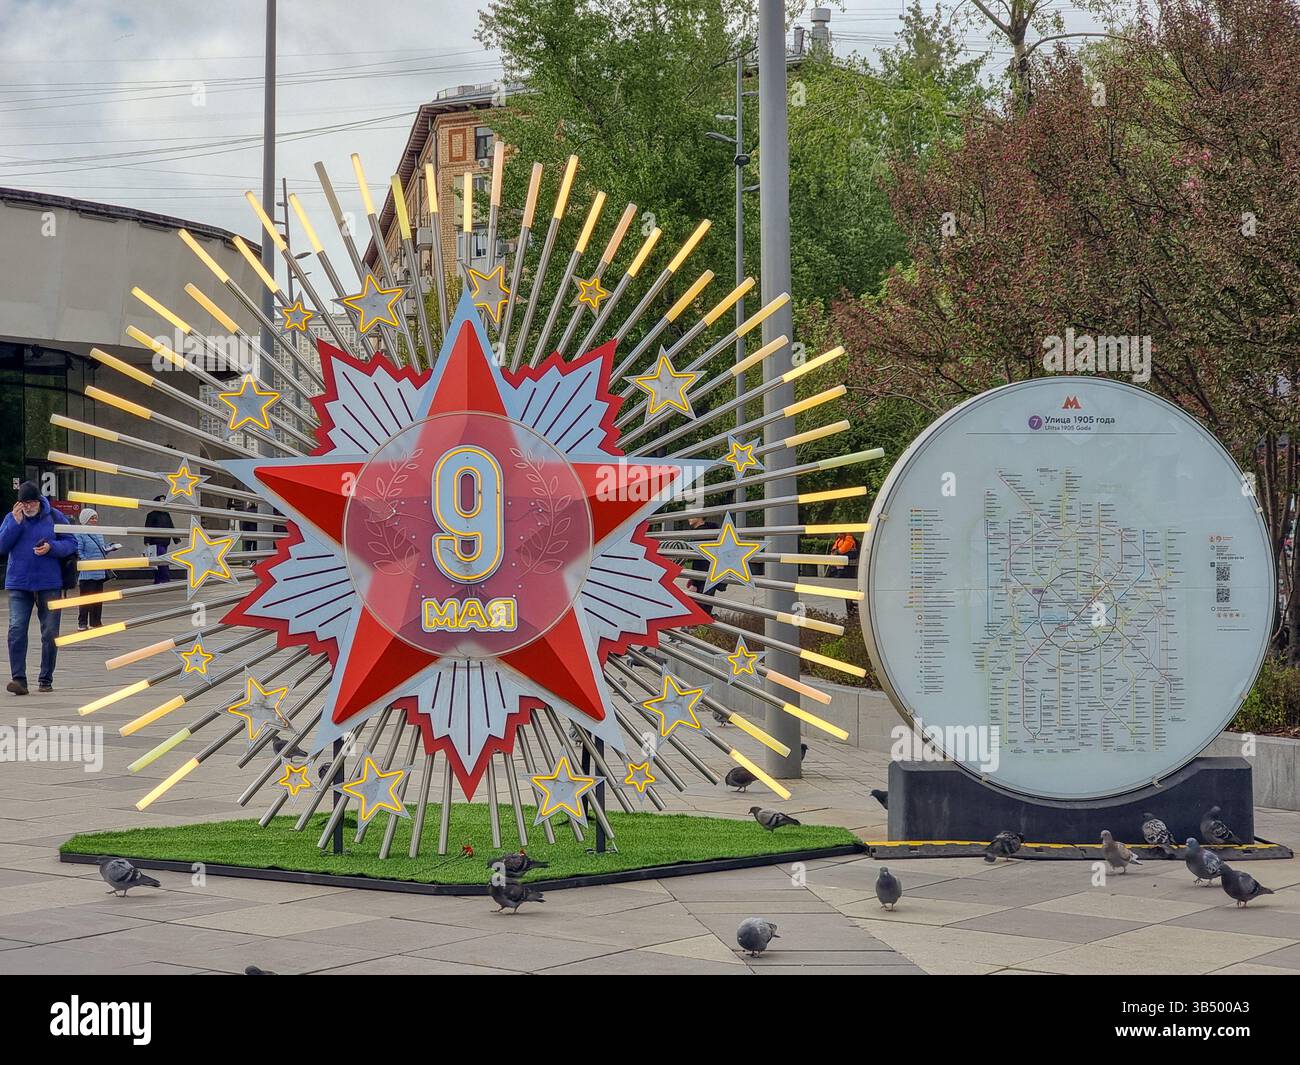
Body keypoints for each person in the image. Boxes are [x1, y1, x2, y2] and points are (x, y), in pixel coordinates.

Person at [1, 482, 77, 694]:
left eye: (31, 502)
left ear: (38, 500)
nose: (28, 507)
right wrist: (15, 524)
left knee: (50, 632)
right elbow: (1, 546)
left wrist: (52, 547)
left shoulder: (55, 516)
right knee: (16, 629)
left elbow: (72, 543)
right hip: (18, 583)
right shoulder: (12, 518)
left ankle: (45, 679)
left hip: (49, 583)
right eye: (24, 503)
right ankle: (19, 680)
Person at [73, 509, 118, 630]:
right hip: (87, 572)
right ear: (85, 520)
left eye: (95, 518)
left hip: (99, 570)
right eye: (91, 518)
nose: (94, 520)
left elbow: (102, 549)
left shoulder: (99, 532)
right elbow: (79, 551)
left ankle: (96, 622)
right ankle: (82, 623)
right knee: (86, 598)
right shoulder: (80, 533)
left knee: (98, 598)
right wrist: (86, 562)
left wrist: (110, 548)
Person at [686, 515, 723, 617]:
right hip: (713, 574)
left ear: (700, 516)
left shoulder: (700, 533)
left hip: (703, 577)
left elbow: (701, 561)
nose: (688, 517)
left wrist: (695, 583)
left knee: (699, 611)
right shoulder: (712, 531)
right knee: (705, 607)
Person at [144, 496, 179, 583]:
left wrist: (176, 538)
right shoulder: (151, 515)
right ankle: (165, 579)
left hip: (165, 542)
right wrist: (147, 541)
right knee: (163, 561)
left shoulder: (166, 514)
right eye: (162, 501)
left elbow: (171, 526)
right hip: (156, 542)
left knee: (158, 561)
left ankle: (158, 580)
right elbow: (147, 529)